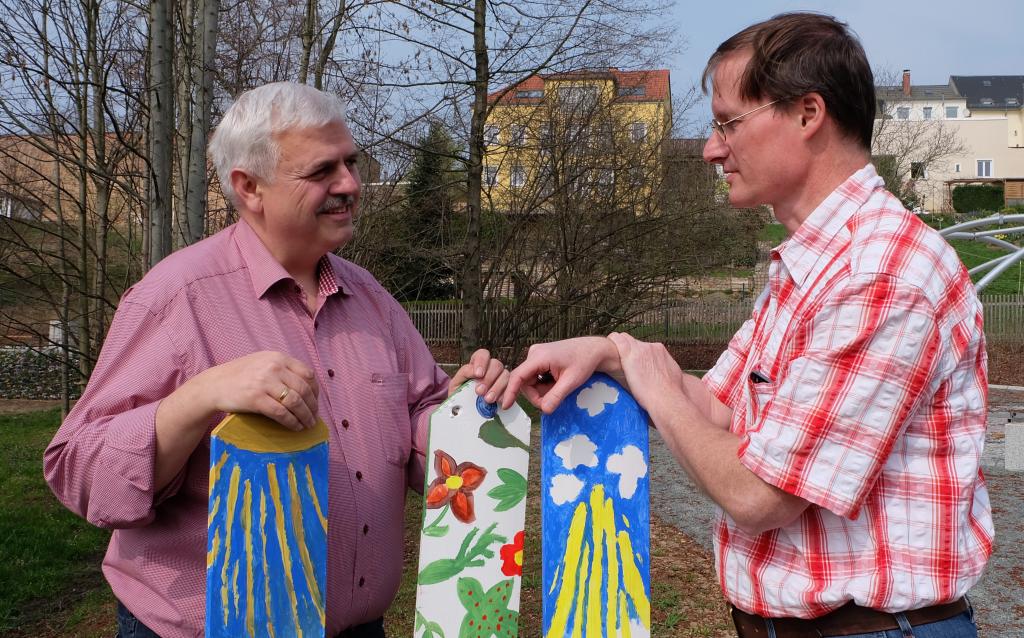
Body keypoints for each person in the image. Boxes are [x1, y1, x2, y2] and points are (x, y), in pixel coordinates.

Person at [502, 12, 992, 638]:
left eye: (727, 122)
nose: (711, 149)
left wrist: (649, 379)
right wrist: (613, 353)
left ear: (808, 114)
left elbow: (761, 497)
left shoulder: (880, 272)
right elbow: (716, 408)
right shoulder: (816, 265)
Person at [44, 82, 509, 638]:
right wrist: (200, 396)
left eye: (352, 164)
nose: (351, 185)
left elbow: (417, 420)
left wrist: (465, 411)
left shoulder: (373, 300)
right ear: (249, 187)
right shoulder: (176, 296)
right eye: (322, 172)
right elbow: (79, 471)